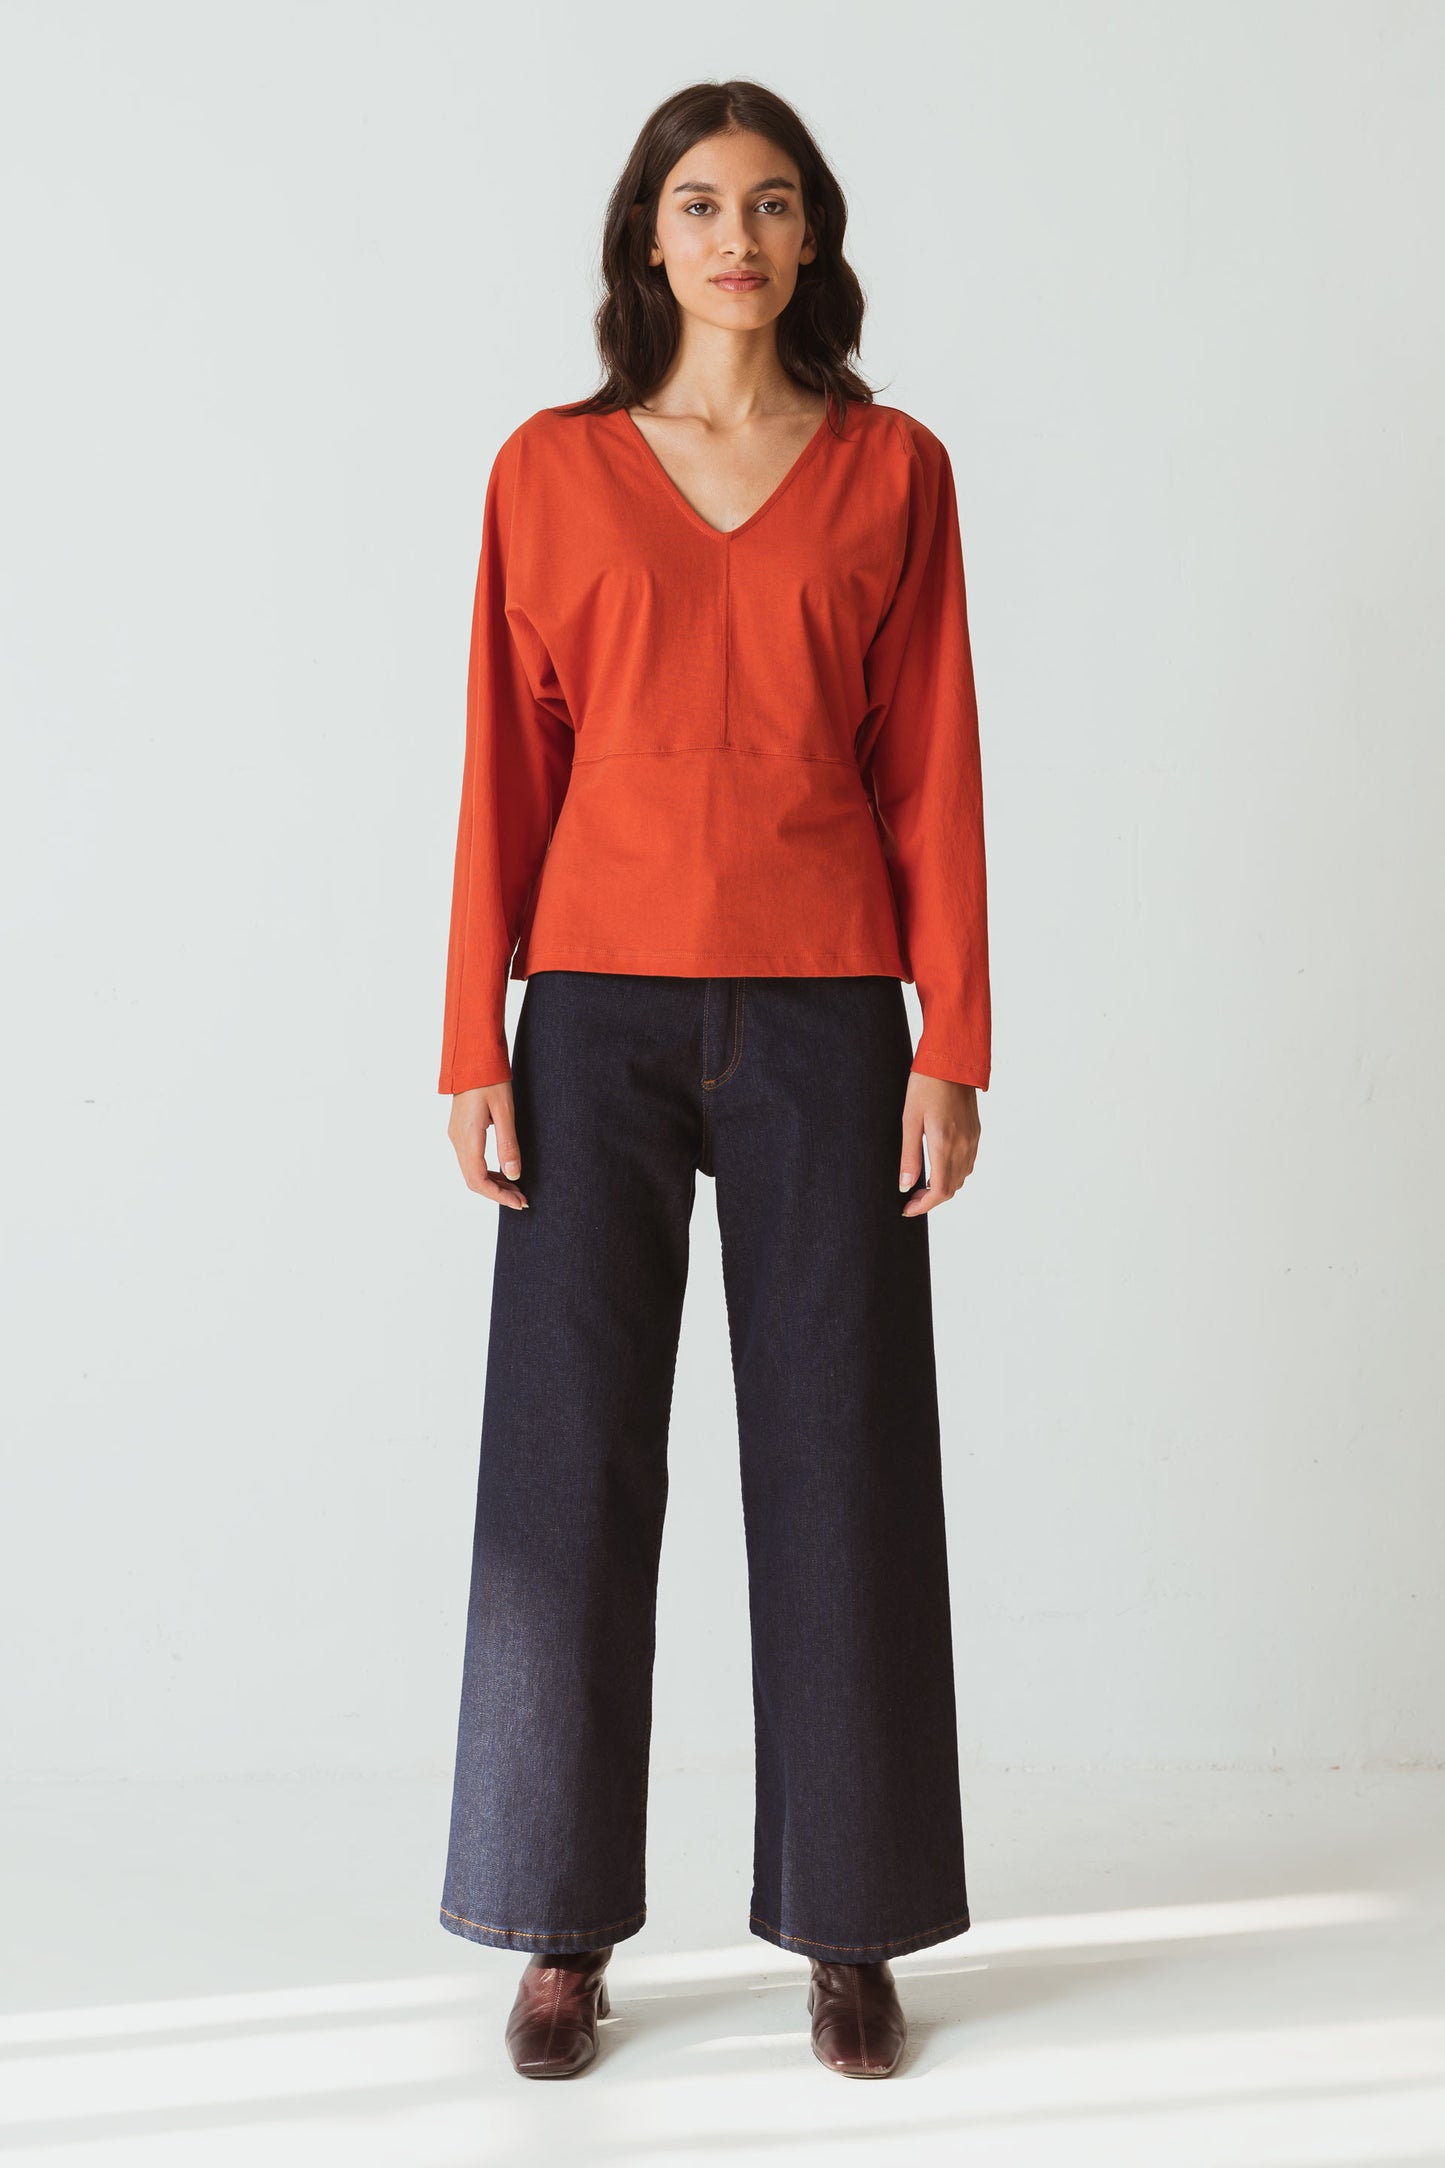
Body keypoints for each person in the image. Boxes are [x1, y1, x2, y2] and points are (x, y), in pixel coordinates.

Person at [436, 77, 991, 2083]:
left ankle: (851, 1921)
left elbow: (932, 756)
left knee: (845, 1457)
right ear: (645, 238)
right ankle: (555, 1924)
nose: (733, 235)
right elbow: (505, 757)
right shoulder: (551, 468)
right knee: (564, 1464)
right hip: (591, 1012)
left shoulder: (894, 468)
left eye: (767, 202)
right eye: (697, 202)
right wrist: (469, 1039)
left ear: (810, 234)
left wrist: (954, 1041)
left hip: (831, 1014)